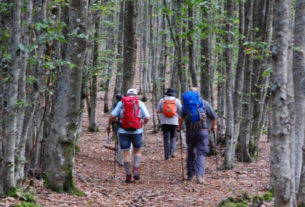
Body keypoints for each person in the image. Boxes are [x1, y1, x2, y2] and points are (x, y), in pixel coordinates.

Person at [107, 89, 149, 183]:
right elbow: (147, 117)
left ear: (127, 94)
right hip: (137, 131)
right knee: (137, 150)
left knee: (126, 152)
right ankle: (136, 169)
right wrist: (142, 125)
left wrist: (118, 121)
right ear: (136, 95)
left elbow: (112, 116)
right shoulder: (140, 103)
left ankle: (128, 175)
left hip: (123, 130)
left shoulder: (121, 103)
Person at [178, 87, 217, 184]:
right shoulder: (205, 103)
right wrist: (213, 127)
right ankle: (200, 176)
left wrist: (179, 128)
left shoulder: (186, 105)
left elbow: (180, 118)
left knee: (190, 152)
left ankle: (190, 175)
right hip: (202, 131)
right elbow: (214, 117)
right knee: (201, 153)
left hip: (190, 132)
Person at [156, 88, 182, 160]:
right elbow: (181, 111)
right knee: (173, 137)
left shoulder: (162, 100)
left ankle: (167, 156)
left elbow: (158, 111)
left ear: (166, 93)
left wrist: (164, 111)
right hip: (174, 122)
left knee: (166, 139)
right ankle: (172, 151)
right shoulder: (177, 101)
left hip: (164, 122)